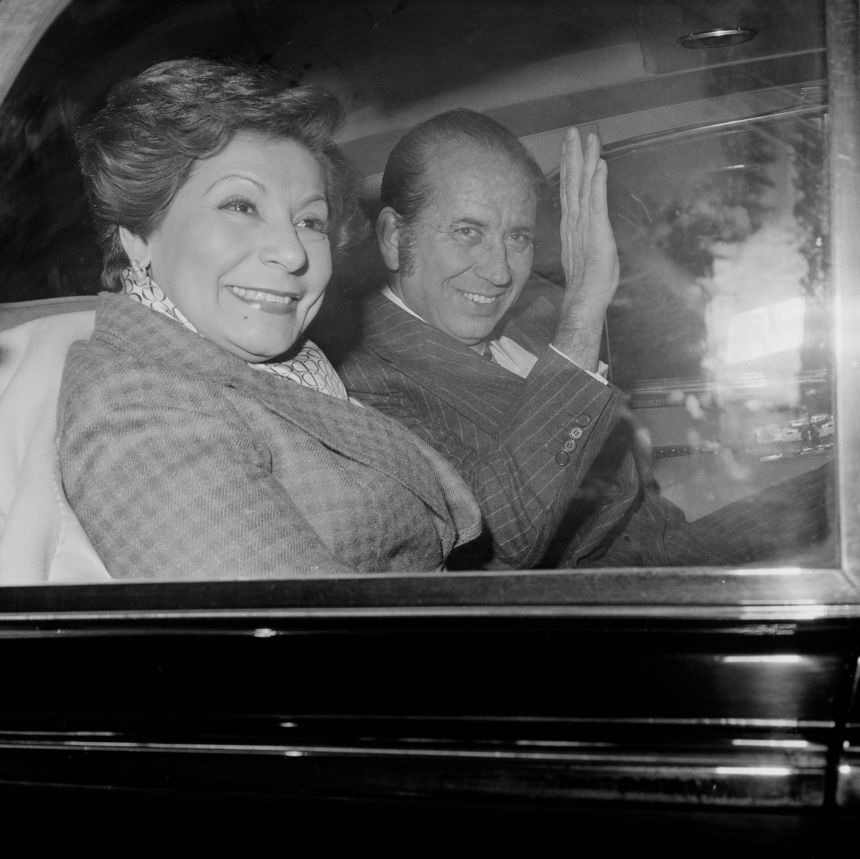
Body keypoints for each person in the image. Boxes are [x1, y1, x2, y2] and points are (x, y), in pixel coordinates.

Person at [330, 109, 832, 570]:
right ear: (395, 237)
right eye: (468, 231)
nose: (500, 272)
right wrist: (584, 309)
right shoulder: (361, 384)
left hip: (668, 553)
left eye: (518, 237)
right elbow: (499, 540)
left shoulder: (536, 313)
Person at [57, 60, 481, 580]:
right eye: (240, 206)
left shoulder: (274, 365)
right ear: (138, 235)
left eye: (309, 220)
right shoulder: (140, 412)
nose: (292, 252)